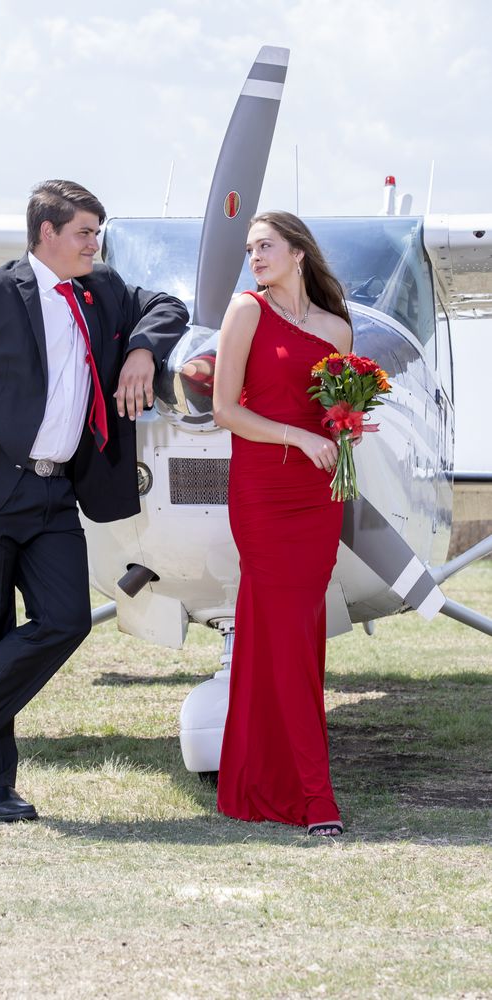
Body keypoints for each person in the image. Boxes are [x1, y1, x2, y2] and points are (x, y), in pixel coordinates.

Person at [0, 179, 188, 823]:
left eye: (98, 232)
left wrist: (140, 349)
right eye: (84, 232)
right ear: (46, 232)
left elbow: (168, 305)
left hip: (56, 490)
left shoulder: (102, 289)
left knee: (66, 619)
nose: (95, 243)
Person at [212, 210, 353, 837]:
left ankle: (258, 780)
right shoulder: (246, 311)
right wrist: (296, 435)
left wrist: (343, 432)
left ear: (299, 252)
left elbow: (338, 420)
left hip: (318, 496)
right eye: (250, 249)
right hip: (264, 493)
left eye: (265, 246)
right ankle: (314, 797)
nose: (254, 257)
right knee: (288, 629)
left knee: (290, 632)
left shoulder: (337, 330)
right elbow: (223, 410)